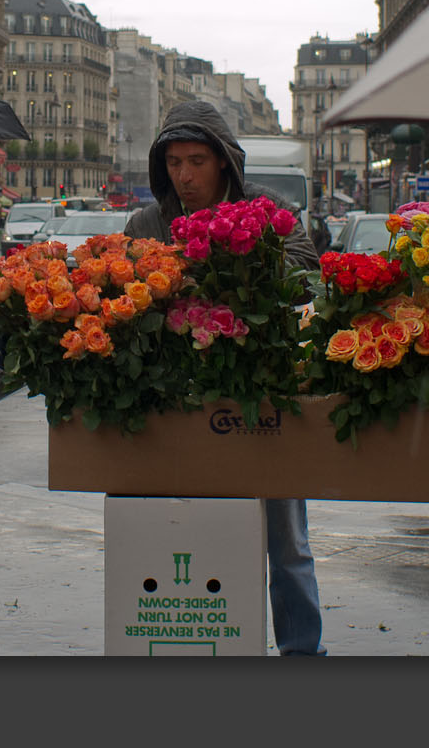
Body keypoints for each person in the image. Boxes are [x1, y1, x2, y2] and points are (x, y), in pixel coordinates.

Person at [123, 99, 326, 657]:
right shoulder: (147, 223)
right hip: (180, 399)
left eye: (196, 161)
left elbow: (307, 277)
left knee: (286, 538)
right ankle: (208, 646)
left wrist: (235, 265)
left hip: (265, 395)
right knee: (195, 531)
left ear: (225, 163)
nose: (183, 176)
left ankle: (303, 653)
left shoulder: (271, 209)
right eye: (172, 163)